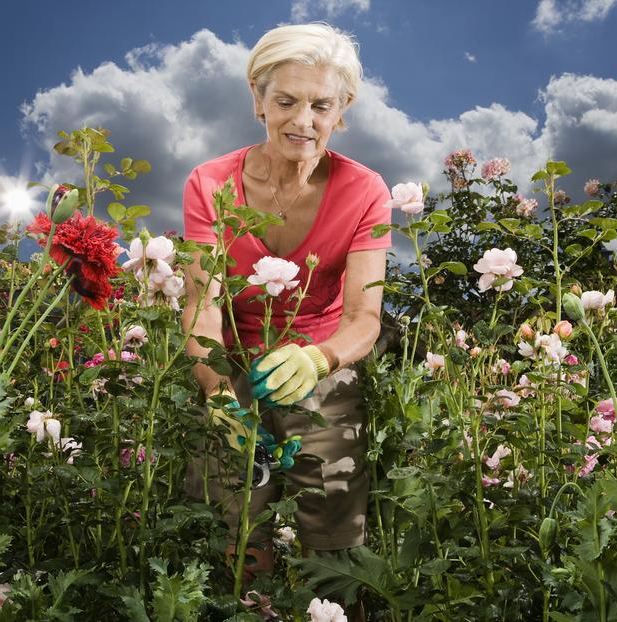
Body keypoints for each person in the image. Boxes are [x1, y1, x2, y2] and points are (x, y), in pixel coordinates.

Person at [181, 21, 391, 597]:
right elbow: (203, 307)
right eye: (286, 101)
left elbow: (364, 318)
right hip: (231, 364)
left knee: (331, 521)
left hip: (319, 360)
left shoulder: (366, 190)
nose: (304, 121)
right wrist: (219, 392)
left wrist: (320, 361)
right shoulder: (211, 184)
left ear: (342, 108)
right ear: (258, 100)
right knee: (232, 519)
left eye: (321, 105)